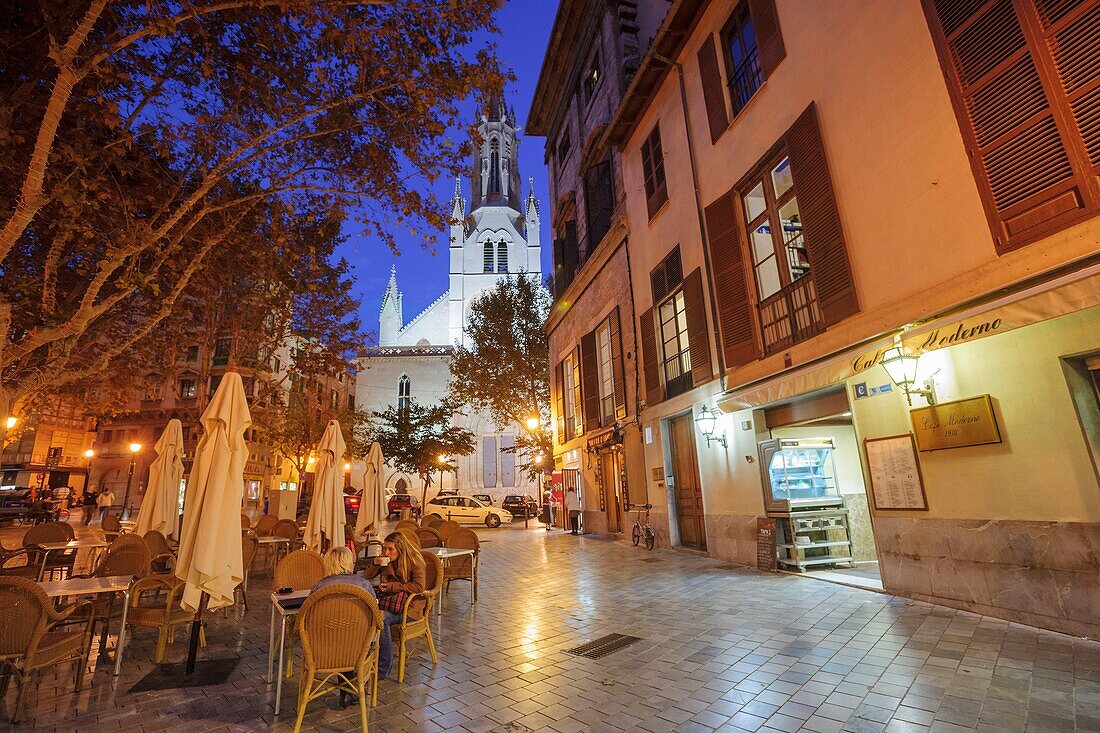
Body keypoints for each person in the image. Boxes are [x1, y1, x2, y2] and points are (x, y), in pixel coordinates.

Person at [311, 546, 393, 680]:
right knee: (352, 638)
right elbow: (375, 614)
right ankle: (354, 686)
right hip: (358, 646)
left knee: (341, 639)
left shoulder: (319, 587)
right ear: (348, 562)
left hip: (324, 646)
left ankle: (347, 687)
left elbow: (309, 617)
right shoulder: (363, 585)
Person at [363, 531, 426, 630]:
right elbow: (368, 575)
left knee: (382, 619)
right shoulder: (387, 561)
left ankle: (384, 646)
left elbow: (419, 587)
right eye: (385, 548)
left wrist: (393, 586)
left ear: (400, 549)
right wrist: (375, 563)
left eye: (390, 549)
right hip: (390, 602)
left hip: (409, 607)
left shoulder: (414, 562)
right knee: (364, 613)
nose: (386, 552)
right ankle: (370, 645)